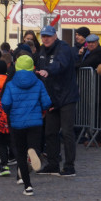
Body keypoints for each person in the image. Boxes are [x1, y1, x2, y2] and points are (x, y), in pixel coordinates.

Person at [1, 54, 51, 195]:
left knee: (20, 154)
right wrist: (42, 109)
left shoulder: (10, 84)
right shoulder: (38, 83)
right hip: (35, 121)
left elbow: (5, 103)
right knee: (32, 146)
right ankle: (33, 151)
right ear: (32, 68)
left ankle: (27, 186)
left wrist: (9, 111)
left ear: (16, 67)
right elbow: (47, 102)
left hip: (17, 123)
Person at [35, 25, 80, 176]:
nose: (45, 38)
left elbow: (60, 64)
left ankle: (69, 166)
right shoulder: (41, 50)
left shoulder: (64, 48)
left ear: (55, 36)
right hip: (51, 97)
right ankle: (53, 164)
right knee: (50, 132)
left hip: (66, 96)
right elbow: (37, 69)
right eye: (43, 36)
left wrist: (48, 70)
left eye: (48, 36)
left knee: (67, 132)